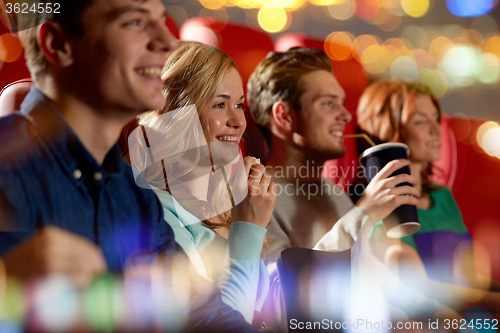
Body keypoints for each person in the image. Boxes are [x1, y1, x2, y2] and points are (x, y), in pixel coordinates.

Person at [0, 1, 263, 331]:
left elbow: (205, 316)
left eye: (159, 20)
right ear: (58, 44)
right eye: (134, 22)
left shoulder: (135, 197)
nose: (166, 42)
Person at [246, 47, 427, 330]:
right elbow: (287, 307)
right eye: (329, 103)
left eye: (342, 103)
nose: (345, 115)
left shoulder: (332, 192)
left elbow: (374, 284)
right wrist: (364, 212)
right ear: (284, 117)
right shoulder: (255, 198)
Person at [127, 40, 276, 326]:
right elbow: (218, 327)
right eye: (219, 105)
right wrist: (249, 228)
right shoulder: (159, 212)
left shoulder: (231, 199)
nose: (238, 121)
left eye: (239, 105)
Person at [356, 79, 500, 312]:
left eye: (436, 118)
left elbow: (470, 279)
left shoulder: (442, 198)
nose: (436, 128)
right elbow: (420, 291)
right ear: (388, 130)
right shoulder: (386, 208)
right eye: (420, 121)